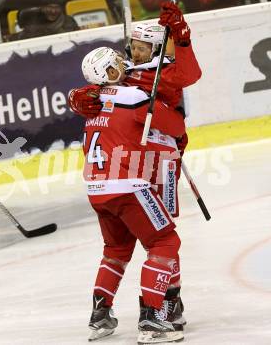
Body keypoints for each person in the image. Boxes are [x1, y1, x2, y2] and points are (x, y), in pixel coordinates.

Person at [68, 2, 202, 338]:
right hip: (134, 168)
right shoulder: (127, 76)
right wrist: (78, 96)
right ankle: (157, 309)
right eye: (134, 46)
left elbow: (189, 77)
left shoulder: (166, 70)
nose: (135, 52)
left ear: (158, 47)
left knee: (158, 235)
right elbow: (101, 86)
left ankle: (169, 302)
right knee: (163, 239)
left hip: (156, 164)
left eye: (143, 47)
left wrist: (182, 38)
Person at [80, 46, 185, 343]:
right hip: (127, 186)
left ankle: (100, 316)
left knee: (116, 250)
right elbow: (175, 126)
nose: (123, 65)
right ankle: (152, 319)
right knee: (165, 241)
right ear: (109, 73)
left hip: (96, 189)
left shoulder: (91, 102)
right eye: (116, 64)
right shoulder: (134, 97)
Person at [8, 0, 79, 41]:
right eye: (49, 7)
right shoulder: (33, 22)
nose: (53, 11)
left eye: (57, 8)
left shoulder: (69, 22)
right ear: (42, 8)